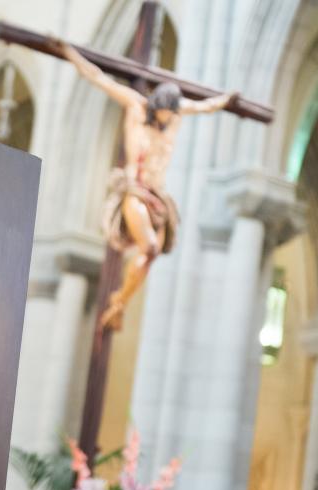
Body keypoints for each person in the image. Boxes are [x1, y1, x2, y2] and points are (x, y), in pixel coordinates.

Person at [55, 41, 239, 330]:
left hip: (157, 196)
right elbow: (97, 77)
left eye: (173, 113)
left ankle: (120, 303)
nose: (169, 118)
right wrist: (68, 52)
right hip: (136, 191)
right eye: (167, 112)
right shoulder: (136, 108)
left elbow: (205, 107)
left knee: (152, 253)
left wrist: (226, 100)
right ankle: (118, 302)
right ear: (158, 105)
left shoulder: (175, 117)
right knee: (151, 248)